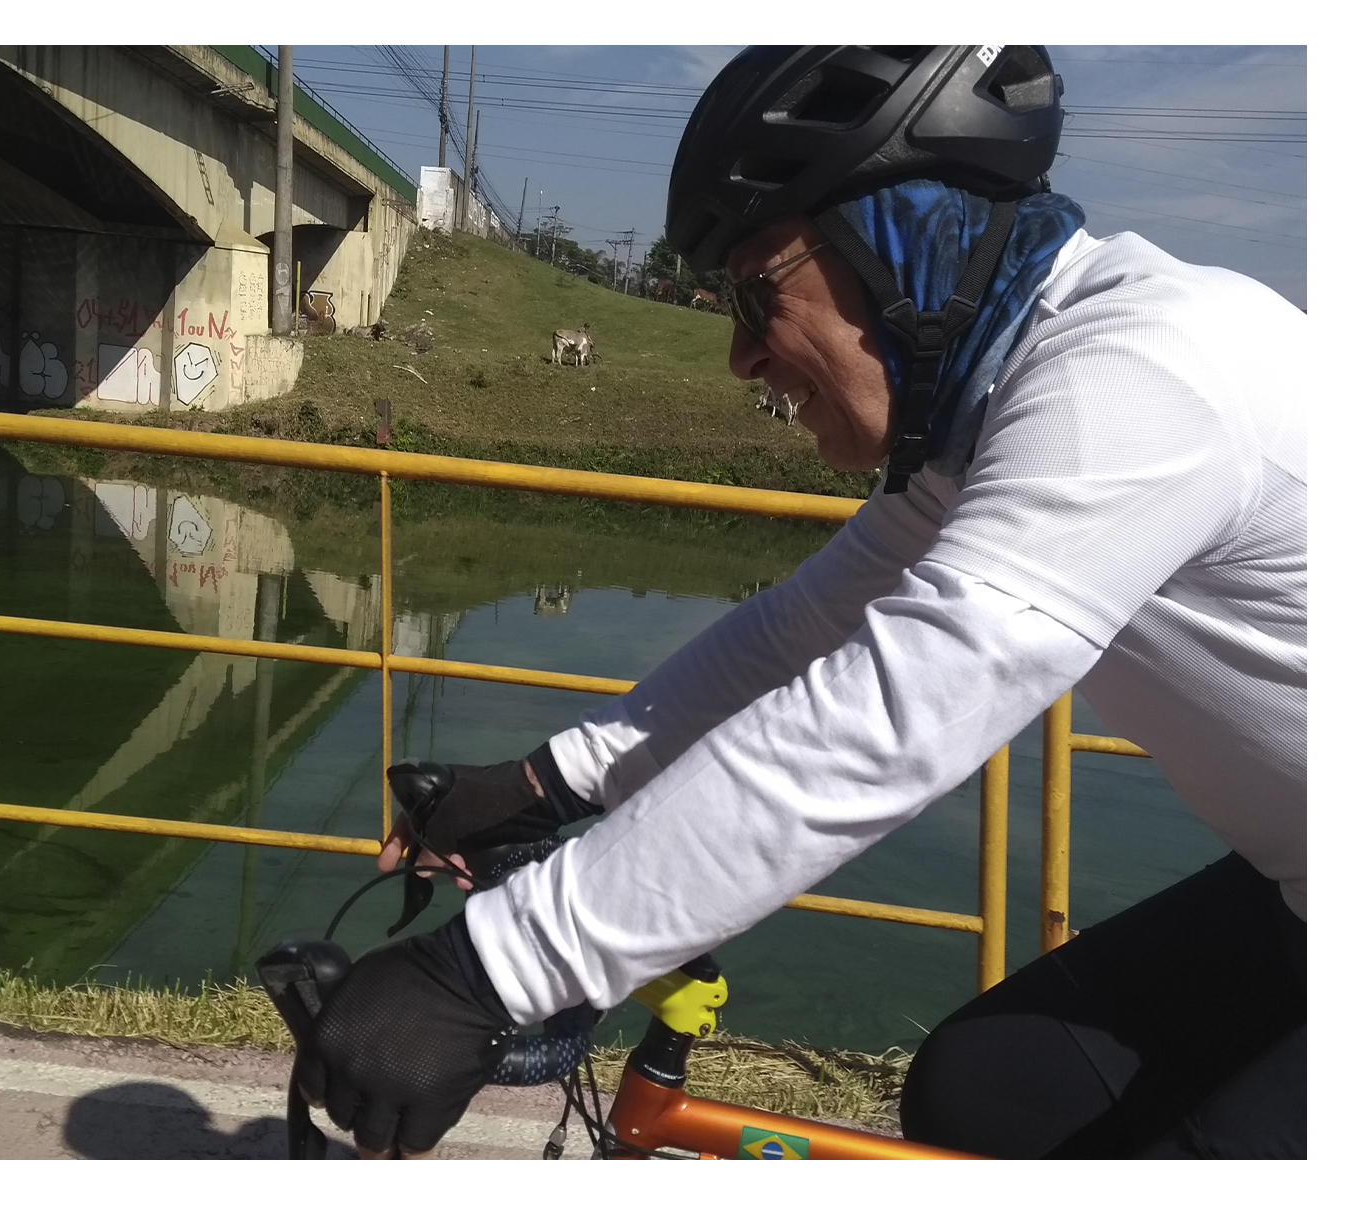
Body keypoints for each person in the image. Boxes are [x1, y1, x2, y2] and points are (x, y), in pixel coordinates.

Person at [294, 45, 1306, 1159]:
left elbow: (894, 706)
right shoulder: (991, 415)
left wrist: (489, 969)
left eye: (754, 293)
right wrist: (544, 785)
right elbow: (801, 633)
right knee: (982, 1094)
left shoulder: (1143, 371)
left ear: (902, 239)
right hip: (1293, 885)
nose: (738, 356)